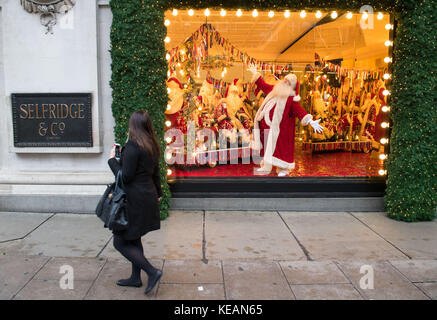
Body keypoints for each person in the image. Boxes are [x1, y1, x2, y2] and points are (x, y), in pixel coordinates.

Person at [108, 110, 163, 295]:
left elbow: (126, 177)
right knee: (134, 236)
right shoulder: (152, 145)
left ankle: (152, 272)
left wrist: (111, 161)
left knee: (120, 242)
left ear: (133, 126)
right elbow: (156, 172)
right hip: (147, 196)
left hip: (134, 200)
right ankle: (135, 278)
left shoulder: (133, 146)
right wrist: (159, 192)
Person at [247, 64, 324, 177]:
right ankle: (266, 166)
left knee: (281, 149)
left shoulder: (291, 99)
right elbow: (263, 85)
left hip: (281, 131)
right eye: (285, 80)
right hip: (267, 127)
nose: (285, 83)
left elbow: (299, 111)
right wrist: (255, 74)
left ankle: (283, 168)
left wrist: (310, 121)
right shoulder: (274, 90)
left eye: (288, 82)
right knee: (267, 147)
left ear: (292, 86)